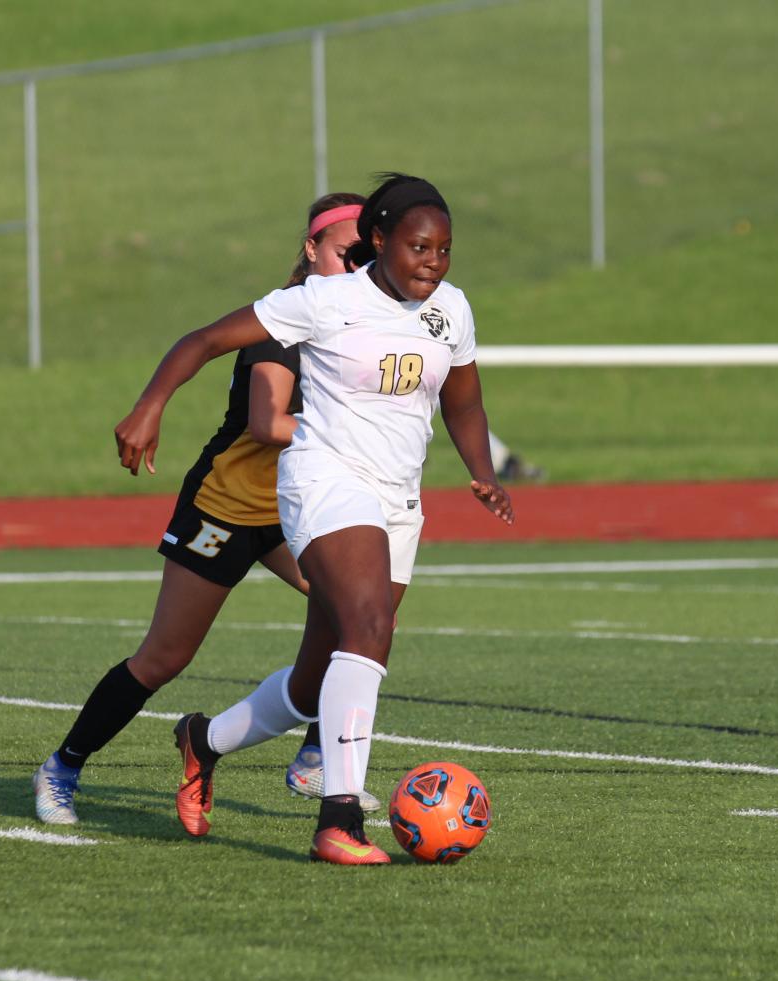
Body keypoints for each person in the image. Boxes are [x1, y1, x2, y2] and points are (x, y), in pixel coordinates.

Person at [114, 173, 513, 864]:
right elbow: (203, 340)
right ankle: (339, 820)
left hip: (397, 500)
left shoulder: (452, 309)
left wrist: (480, 468)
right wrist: (151, 406)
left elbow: (464, 401)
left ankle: (202, 741)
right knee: (370, 629)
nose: (433, 262)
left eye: (445, 250)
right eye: (419, 247)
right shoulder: (324, 301)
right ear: (380, 240)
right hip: (325, 482)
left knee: (314, 679)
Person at [32, 192, 389, 825]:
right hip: (227, 508)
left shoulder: (364, 321)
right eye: (345, 253)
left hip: (294, 507)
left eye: (368, 256)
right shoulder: (287, 320)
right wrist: (150, 407)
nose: (358, 266)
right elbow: (266, 421)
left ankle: (315, 762)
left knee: (358, 617)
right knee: (164, 658)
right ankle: (63, 766)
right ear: (311, 250)